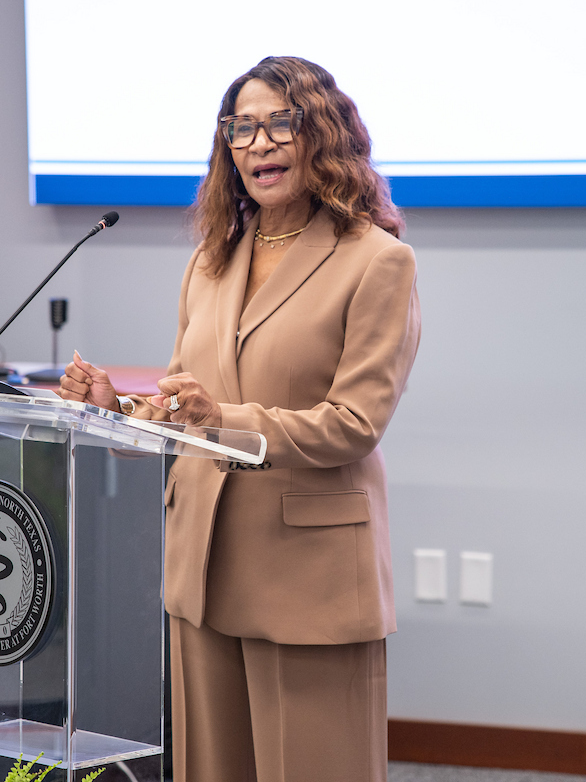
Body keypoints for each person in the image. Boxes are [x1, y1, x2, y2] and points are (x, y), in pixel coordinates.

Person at [59, 56, 421, 782]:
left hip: (306, 573)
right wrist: (119, 411)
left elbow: (355, 422)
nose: (258, 144)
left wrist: (222, 417)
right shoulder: (209, 261)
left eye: (279, 124)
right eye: (241, 129)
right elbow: (180, 403)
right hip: (204, 565)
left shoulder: (378, 262)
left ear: (321, 134)